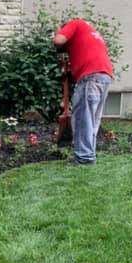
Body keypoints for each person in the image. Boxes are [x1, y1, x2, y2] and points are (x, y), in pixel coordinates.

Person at [53, 19, 113, 165]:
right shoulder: (92, 33)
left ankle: (84, 158)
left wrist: (57, 35)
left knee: (83, 118)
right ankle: (88, 154)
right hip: (104, 76)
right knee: (92, 120)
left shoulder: (75, 23)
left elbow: (58, 40)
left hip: (90, 77)